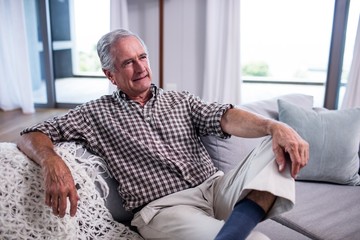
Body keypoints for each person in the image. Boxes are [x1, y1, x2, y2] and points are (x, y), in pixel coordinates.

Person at [17, 29, 308, 240]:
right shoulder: (94, 113)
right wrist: (51, 161)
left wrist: (275, 127)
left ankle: (232, 231)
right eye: (128, 62)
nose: (141, 67)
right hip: (165, 209)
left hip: (215, 189)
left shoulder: (180, 99)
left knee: (276, 147)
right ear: (110, 75)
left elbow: (225, 116)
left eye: (142, 57)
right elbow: (31, 133)